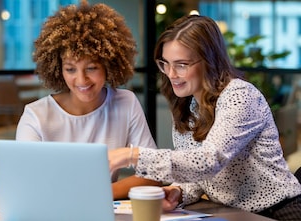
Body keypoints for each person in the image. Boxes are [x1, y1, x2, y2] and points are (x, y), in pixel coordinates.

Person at [108, 14, 301, 220]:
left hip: (280, 213)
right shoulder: (189, 105)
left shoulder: (240, 95)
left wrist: (133, 155)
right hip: (235, 214)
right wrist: (178, 192)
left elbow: (209, 160)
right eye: (165, 63)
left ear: (210, 61)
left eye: (182, 64)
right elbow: (197, 173)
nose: (171, 74)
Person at [16, 0, 161, 200]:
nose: (82, 80)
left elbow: (153, 174)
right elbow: (24, 184)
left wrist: (96, 194)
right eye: (70, 69)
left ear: (108, 65)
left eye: (91, 68)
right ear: (58, 69)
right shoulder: (36, 115)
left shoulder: (125, 103)